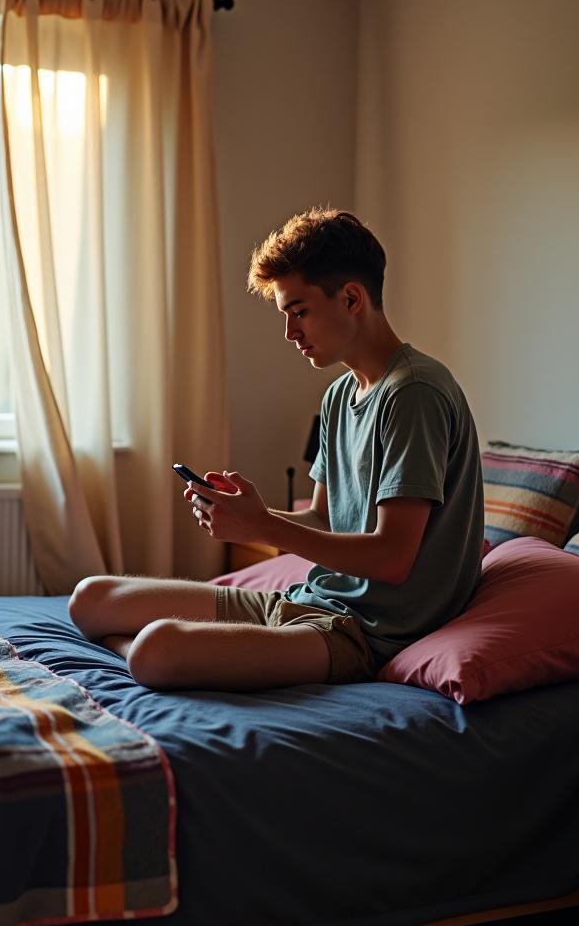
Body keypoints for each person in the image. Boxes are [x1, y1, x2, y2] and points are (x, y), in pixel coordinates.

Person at [68, 208, 483, 690]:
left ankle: (145, 654)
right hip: (308, 598)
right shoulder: (337, 396)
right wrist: (251, 514)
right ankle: (149, 652)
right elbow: (324, 520)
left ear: (351, 298)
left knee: (157, 650)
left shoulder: (415, 392)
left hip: (363, 633)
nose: (290, 333)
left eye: (299, 311)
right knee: (90, 598)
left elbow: (393, 559)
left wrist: (262, 525)